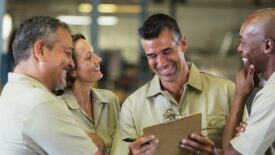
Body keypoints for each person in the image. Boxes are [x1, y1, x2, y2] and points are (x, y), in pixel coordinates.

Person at [111, 13, 237, 155]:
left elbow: (251, 149)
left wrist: (215, 153)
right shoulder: (132, 107)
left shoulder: (226, 92)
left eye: (167, 51)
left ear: (183, 43)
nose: (162, 63)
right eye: (152, 56)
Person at [0, 16, 98, 154]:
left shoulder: (10, 93)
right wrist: (98, 143)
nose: (72, 63)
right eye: (68, 53)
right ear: (40, 50)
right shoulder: (41, 103)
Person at [223, 8, 275, 155]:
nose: (239, 48)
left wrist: (239, 97)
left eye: (243, 42)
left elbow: (231, 154)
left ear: (267, 46)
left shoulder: (271, 94)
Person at [57, 34, 120, 155]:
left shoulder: (110, 100)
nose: (98, 59)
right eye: (89, 57)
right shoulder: (58, 108)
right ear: (72, 70)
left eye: (94, 53)